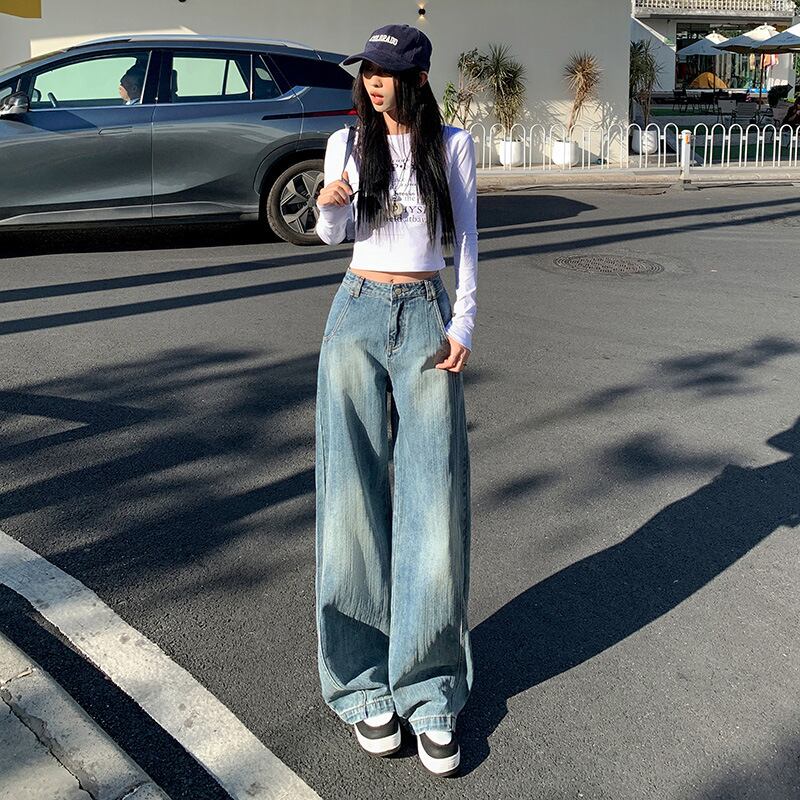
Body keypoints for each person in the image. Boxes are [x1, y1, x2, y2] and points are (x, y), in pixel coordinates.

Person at [313, 22, 477, 779]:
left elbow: (465, 241)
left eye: (386, 72)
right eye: (367, 72)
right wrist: (329, 203)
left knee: (432, 496)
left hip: (426, 316)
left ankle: (431, 691)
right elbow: (332, 235)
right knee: (350, 496)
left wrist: (463, 322)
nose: (373, 82)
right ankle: (361, 682)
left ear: (417, 78)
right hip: (356, 313)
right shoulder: (347, 143)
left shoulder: (452, 145)